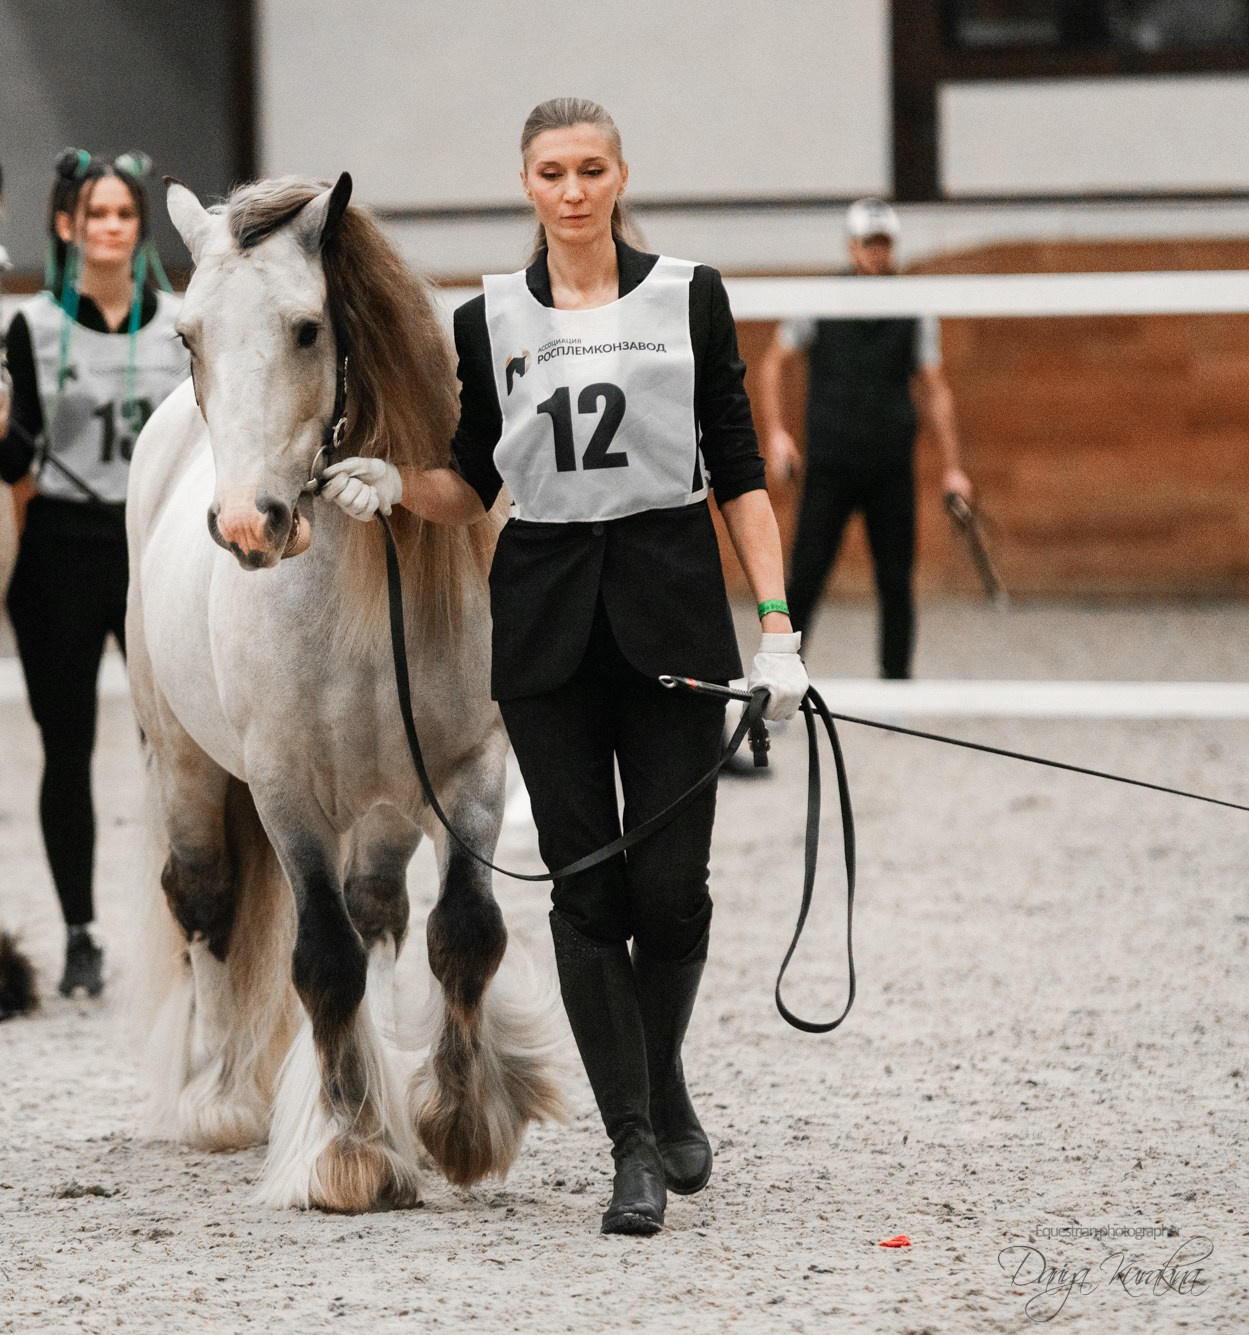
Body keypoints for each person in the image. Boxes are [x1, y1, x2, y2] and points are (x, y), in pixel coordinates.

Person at [317, 98, 806, 1236]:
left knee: (669, 893)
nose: (572, 189)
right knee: (587, 893)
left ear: (619, 176)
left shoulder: (687, 294)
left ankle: (660, 1079)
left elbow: (735, 470)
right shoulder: (485, 318)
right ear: (526, 184)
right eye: (551, 171)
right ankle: (632, 1145)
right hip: (542, 626)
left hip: (672, 611)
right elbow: (470, 486)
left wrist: (776, 629)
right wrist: (393, 486)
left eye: (590, 168)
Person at [0, 149, 191, 998]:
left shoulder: (182, 321)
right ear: (68, 226)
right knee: (66, 745)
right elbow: (11, 460)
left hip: (159, 548)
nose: (111, 227)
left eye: (124, 213)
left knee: (177, 747)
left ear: (139, 227)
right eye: (96, 214)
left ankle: (188, 922)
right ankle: (80, 931)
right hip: (61, 548)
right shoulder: (32, 327)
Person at [755, 198, 972, 679]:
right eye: (868, 244)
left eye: (883, 244)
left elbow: (935, 388)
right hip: (830, 464)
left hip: (890, 468)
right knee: (804, 579)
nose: (876, 253)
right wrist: (776, 434)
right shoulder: (822, 298)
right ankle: (780, 680)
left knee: (896, 583)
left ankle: (895, 686)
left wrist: (954, 467)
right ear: (852, 247)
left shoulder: (913, 306)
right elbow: (773, 364)